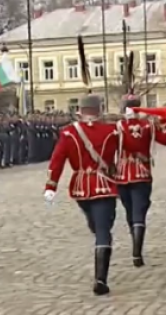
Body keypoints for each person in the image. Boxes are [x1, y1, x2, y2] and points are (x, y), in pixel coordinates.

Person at [44, 94, 120, 296]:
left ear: (81, 109)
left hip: (80, 187)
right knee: (103, 229)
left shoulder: (69, 132)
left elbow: (57, 159)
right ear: (99, 109)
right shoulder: (111, 130)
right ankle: (100, 279)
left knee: (96, 226)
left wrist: (51, 186)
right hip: (104, 185)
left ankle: (100, 266)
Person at [115, 95, 166, 266]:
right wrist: (165, 121)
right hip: (142, 173)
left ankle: (135, 244)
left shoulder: (119, 126)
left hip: (123, 174)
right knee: (139, 212)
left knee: (130, 212)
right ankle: (137, 253)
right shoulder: (148, 125)